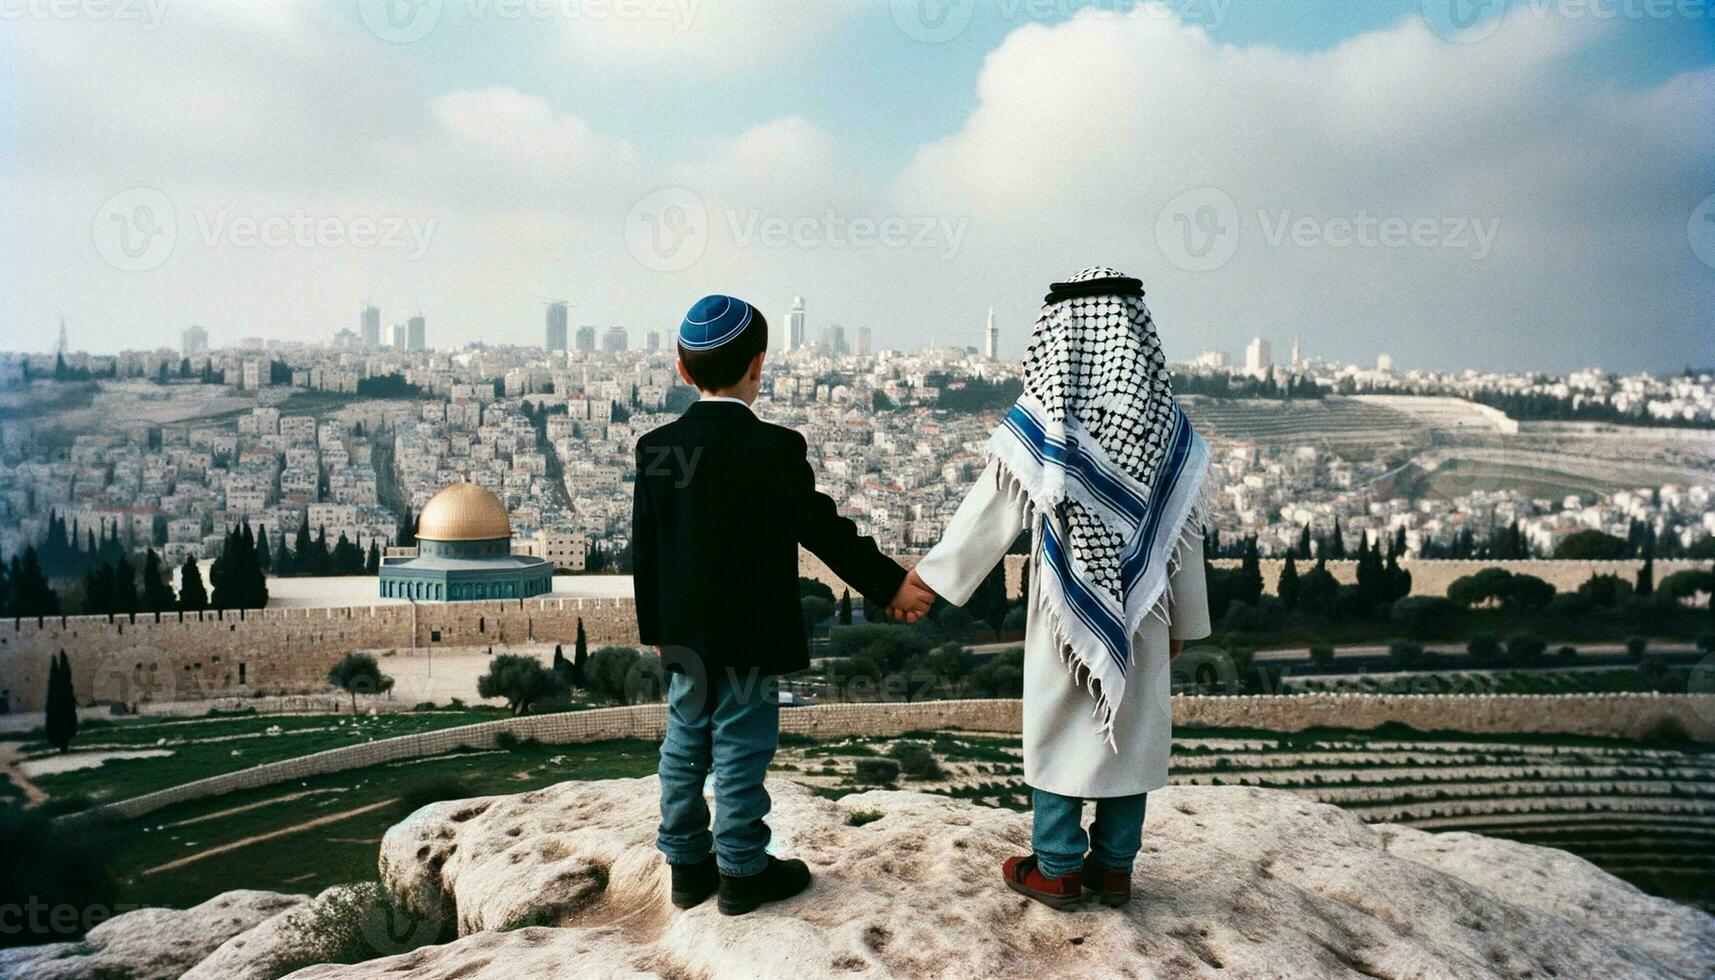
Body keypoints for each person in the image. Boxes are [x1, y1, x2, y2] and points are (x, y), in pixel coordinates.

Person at [899, 267, 1211, 909]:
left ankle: (1058, 866)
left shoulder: (1044, 422)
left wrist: (928, 580)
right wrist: (1185, 624)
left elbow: (994, 507)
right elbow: (1184, 535)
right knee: (1131, 728)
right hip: (1145, 605)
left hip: (1064, 604)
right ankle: (1114, 869)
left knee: (1061, 724)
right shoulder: (1169, 431)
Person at [634, 294, 935, 916]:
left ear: (683, 371)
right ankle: (743, 869)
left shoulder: (657, 447)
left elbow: (649, 547)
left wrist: (656, 629)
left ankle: (687, 866)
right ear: (759, 365)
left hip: (685, 636)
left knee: (684, 744)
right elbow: (825, 531)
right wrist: (890, 585)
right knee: (741, 748)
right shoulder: (773, 449)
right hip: (749, 637)